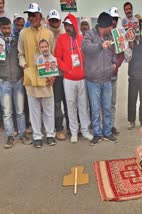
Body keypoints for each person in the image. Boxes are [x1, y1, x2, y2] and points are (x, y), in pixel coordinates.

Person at [18, 3, 56, 148]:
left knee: (48, 107)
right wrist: (25, 65)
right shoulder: (23, 33)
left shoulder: (49, 33)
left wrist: (53, 74)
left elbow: (53, 54)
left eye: (33, 15)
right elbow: (20, 53)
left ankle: (50, 134)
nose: (31, 17)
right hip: (31, 76)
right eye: (29, 15)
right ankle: (37, 135)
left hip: (46, 75)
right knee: (33, 109)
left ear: (40, 16)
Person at [0, 17, 30, 148]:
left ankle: (22, 134)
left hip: (18, 80)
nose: (7, 30)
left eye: (8, 28)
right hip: (4, 81)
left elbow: (22, 55)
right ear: (0, 28)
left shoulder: (17, 39)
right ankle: (10, 136)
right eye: (4, 28)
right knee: (7, 112)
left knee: (20, 110)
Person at [55, 14, 93, 144]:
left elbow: (89, 56)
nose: (67, 28)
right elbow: (58, 57)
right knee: (71, 105)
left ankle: (85, 130)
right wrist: (67, 69)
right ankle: (74, 131)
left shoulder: (82, 39)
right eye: (65, 25)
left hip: (82, 79)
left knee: (83, 106)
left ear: (74, 25)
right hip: (68, 79)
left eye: (69, 25)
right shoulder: (61, 39)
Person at [82, 12, 118, 145]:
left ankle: (107, 132)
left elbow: (114, 52)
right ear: (105, 25)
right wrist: (99, 46)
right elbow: (85, 48)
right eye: (111, 25)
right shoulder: (89, 35)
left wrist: (114, 64)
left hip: (107, 79)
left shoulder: (110, 36)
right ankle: (97, 134)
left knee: (107, 107)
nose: (112, 28)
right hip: (93, 80)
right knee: (95, 109)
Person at [124, 15, 142, 130]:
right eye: (133, 25)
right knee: (132, 98)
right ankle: (131, 121)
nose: (135, 27)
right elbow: (127, 58)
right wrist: (129, 47)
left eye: (137, 24)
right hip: (133, 75)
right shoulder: (129, 42)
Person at [47, 9, 68, 141]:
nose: (54, 22)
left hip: (65, 73)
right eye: (51, 20)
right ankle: (59, 128)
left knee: (68, 102)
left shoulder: (65, 33)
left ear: (60, 21)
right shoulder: (46, 33)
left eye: (56, 20)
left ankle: (71, 127)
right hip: (54, 74)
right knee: (56, 103)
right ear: (48, 21)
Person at [109, 6, 124, 136]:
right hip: (101, 75)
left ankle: (111, 126)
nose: (114, 21)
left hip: (113, 75)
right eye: (112, 18)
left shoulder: (119, 35)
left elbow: (121, 55)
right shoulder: (102, 34)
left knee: (112, 102)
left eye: (115, 19)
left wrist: (115, 66)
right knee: (103, 103)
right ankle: (104, 127)